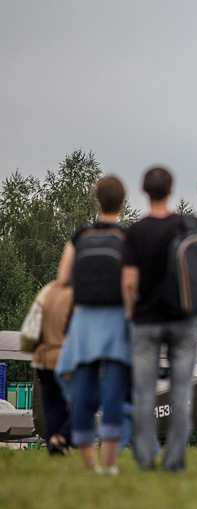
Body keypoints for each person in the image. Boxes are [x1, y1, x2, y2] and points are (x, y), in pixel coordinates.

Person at [122, 168, 197, 472]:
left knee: (145, 393)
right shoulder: (189, 225)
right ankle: (174, 462)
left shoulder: (135, 232)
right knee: (181, 391)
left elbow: (130, 281)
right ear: (171, 190)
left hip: (145, 322)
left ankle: (146, 460)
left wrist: (131, 314)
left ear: (145, 190)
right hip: (183, 320)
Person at [55, 175, 131, 474]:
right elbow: (131, 282)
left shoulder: (80, 237)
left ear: (96, 199)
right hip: (116, 318)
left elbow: (63, 279)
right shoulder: (127, 239)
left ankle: (89, 466)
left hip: (84, 320)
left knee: (84, 393)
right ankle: (110, 465)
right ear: (123, 202)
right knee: (113, 394)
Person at [32, 281, 74, 456]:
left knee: (52, 406)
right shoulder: (76, 295)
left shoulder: (46, 291)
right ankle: (62, 438)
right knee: (83, 402)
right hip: (65, 358)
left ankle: (54, 445)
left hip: (42, 358)